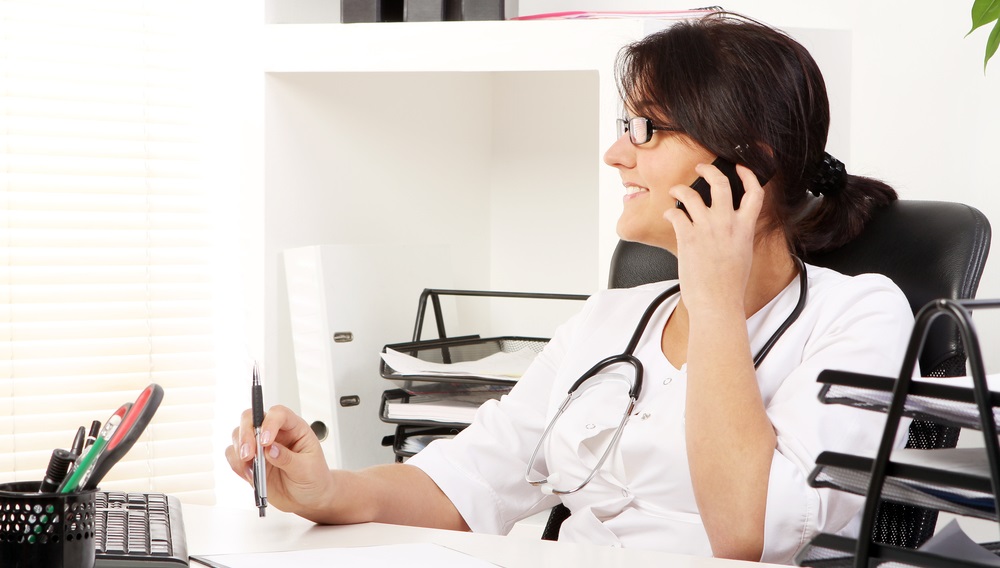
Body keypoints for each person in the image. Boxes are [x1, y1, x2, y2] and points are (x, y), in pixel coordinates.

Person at [227, 13, 914, 565]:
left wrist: (712, 296)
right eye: (624, 128)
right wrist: (326, 490)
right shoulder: (610, 320)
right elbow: (464, 481)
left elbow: (746, 533)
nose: (617, 153)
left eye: (646, 129)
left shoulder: (859, 316)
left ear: (744, 167)